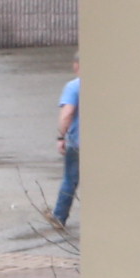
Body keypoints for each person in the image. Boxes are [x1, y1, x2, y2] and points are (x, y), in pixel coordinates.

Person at [56, 75, 82, 226]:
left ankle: (59, 216)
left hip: (78, 142)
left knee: (70, 180)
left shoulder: (74, 86)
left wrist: (61, 137)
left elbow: (67, 113)